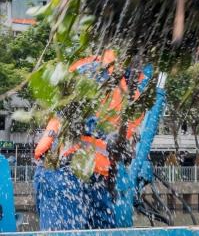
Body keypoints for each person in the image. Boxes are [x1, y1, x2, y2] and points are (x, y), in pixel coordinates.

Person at [33, 51, 150, 230]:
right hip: (64, 170)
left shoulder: (133, 87)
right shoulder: (95, 71)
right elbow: (77, 120)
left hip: (97, 178)